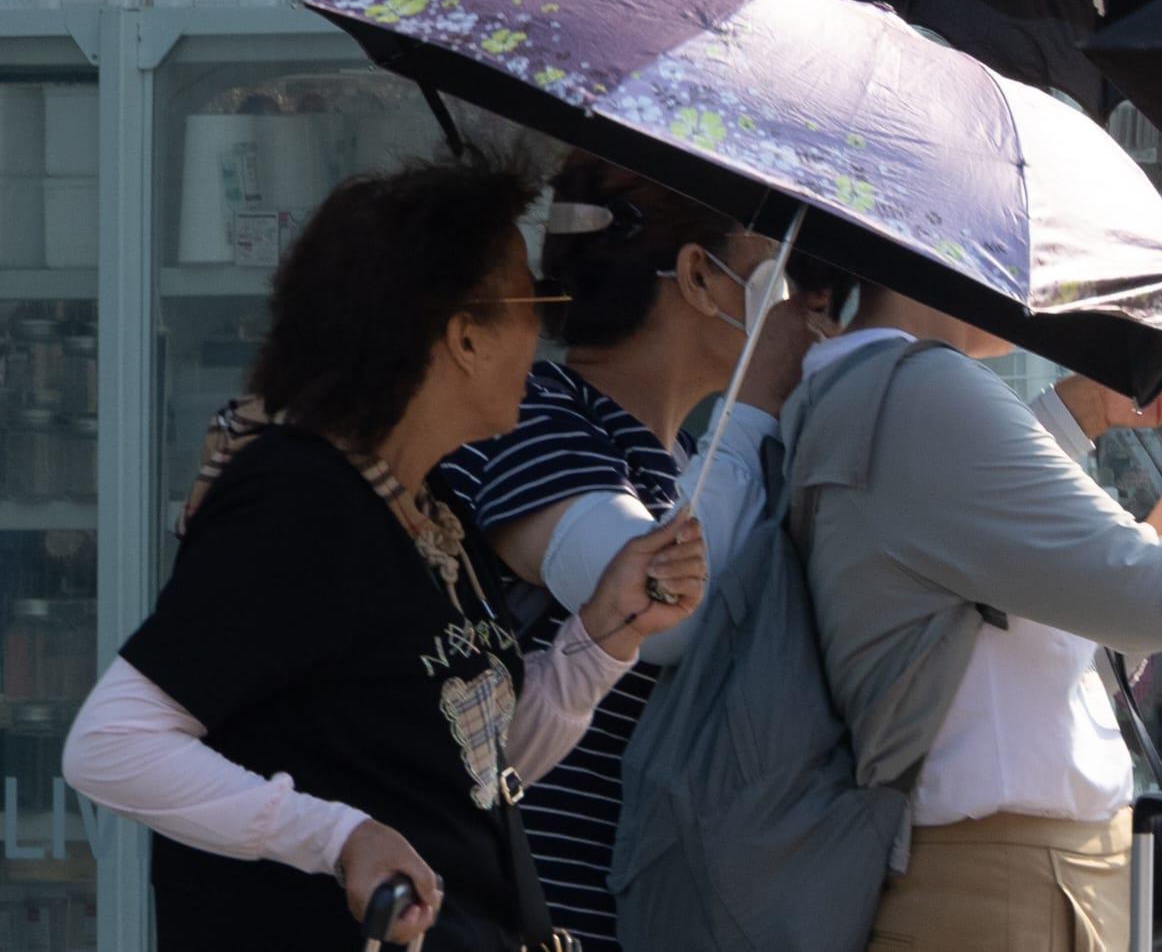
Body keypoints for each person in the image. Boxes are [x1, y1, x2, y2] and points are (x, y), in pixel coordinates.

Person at [61, 157, 707, 952]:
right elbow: (111, 746)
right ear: (464, 336)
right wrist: (337, 836)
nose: (543, 333)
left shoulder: (431, 510)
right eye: (530, 303)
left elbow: (474, 772)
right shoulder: (299, 498)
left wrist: (605, 636)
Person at [781, 279, 1162, 952]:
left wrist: (1095, 412)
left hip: (1011, 876)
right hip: (1007, 885)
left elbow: (1054, 644)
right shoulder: (921, 389)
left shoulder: (878, 388)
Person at [436, 153, 833, 952]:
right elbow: (660, 609)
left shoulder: (685, 458)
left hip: (648, 900)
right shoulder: (536, 416)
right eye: (767, 271)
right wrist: (753, 407)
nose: (784, 302)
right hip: (538, 906)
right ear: (698, 277)